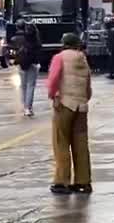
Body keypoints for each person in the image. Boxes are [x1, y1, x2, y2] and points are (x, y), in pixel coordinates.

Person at [47, 32, 93, 195]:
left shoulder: (59, 58)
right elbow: (88, 86)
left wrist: (53, 96)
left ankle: (62, 181)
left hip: (65, 104)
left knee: (61, 141)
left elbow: (53, 80)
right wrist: (84, 99)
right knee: (81, 143)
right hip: (81, 106)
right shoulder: (83, 59)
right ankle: (83, 182)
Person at [17, 23, 42, 117]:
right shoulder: (36, 41)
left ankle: (25, 106)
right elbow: (39, 53)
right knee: (30, 86)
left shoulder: (20, 39)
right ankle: (28, 107)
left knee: (23, 86)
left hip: (22, 64)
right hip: (32, 64)